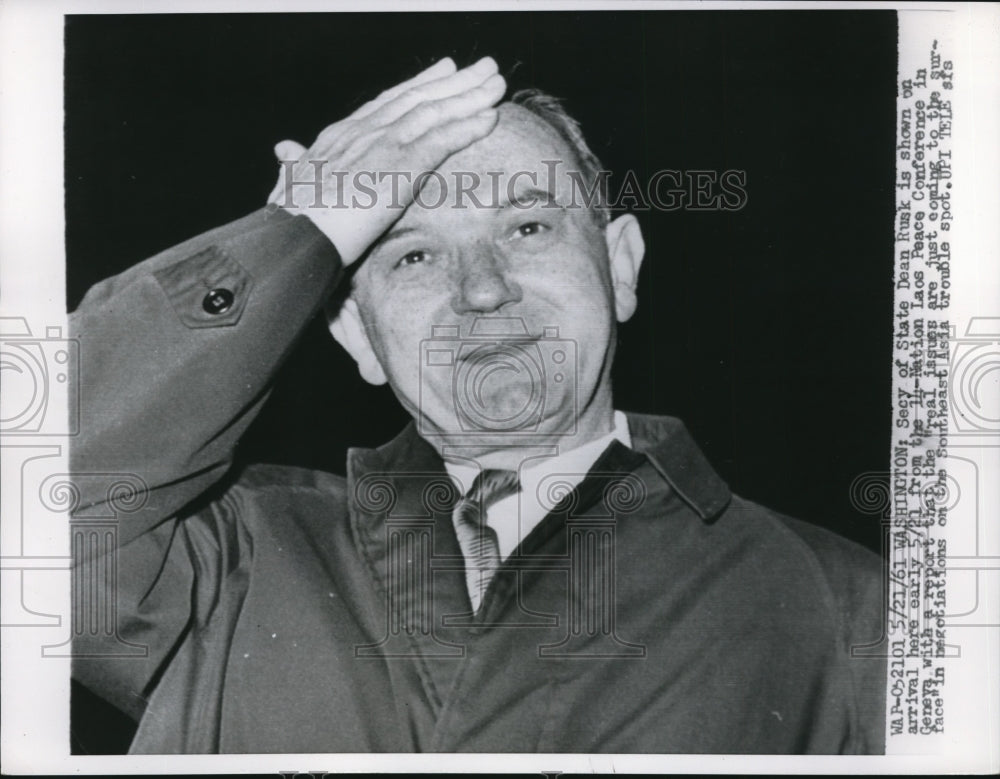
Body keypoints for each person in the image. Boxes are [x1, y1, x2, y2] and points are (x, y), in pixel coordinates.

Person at [70, 56, 886, 754]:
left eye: (528, 227)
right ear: (355, 331)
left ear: (621, 268)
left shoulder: (845, 607)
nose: (484, 290)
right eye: (415, 253)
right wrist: (297, 229)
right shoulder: (226, 560)